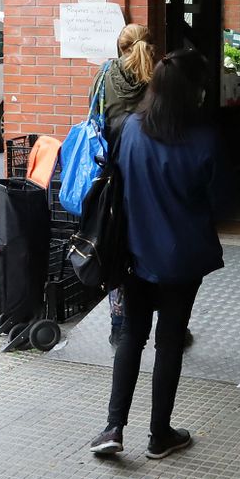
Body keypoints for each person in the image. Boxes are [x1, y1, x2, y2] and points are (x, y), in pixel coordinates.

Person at [88, 48, 225, 460]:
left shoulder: (130, 129)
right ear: (193, 92)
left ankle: (113, 428)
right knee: (169, 342)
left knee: (132, 334)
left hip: (133, 252)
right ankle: (159, 434)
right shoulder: (204, 139)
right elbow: (220, 201)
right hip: (182, 258)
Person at [96, 24, 156, 348]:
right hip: (147, 177)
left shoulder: (105, 74)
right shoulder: (157, 79)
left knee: (116, 245)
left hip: (113, 178)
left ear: (120, 47)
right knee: (150, 245)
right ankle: (164, 320)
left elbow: (94, 119)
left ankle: (118, 325)